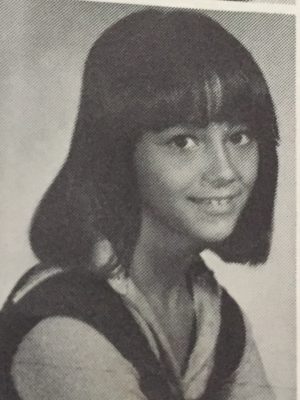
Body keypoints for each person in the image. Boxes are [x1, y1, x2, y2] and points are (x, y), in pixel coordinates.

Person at [0, 8, 278, 400]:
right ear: (118, 153)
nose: (225, 171)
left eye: (240, 136)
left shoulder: (216, 315)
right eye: (184, 141)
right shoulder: (65, 329)